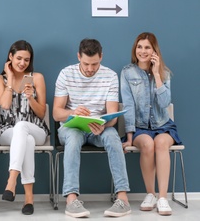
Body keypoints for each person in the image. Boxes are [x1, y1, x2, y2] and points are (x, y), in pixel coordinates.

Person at [53, 38, 131, 218]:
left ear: (101, 57)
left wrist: (103, 124)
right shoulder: (66, 74)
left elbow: (112, 116)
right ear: (78, 56)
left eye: (94, 64)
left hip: (100, 128)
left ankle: (123, 199)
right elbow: (57, 114)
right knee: (73, 138)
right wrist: (73, 112)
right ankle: (71, 199)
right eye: (86, 63)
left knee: (113, 137)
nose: (90, 69)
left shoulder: (110, 76)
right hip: (72, 127)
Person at [121, 32, 182, 216]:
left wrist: (156, 75)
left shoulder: (164, 73)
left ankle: (163, 198)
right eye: (139, 47)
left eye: (147, 47)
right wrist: (130, 136)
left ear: (154, 50)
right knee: (147, 145)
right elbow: (128, 105)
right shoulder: (127, 72)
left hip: (163, 125)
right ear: (135, 49)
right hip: (140, 127)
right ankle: (151, 194)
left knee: (161, 144)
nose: (143, 51)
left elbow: (165, 104)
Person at [0, 40, 50, 215]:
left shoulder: (37, 77)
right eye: (18, 58)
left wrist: (30, 98)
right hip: (7, 130)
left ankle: (12, 180)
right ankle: (28, 199)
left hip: (36, 128)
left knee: (23, 127)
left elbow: (41, 113)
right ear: (10, 57)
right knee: (26, 138)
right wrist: (9, 80)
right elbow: (4, 104)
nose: (22, 63)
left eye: (26, 59)